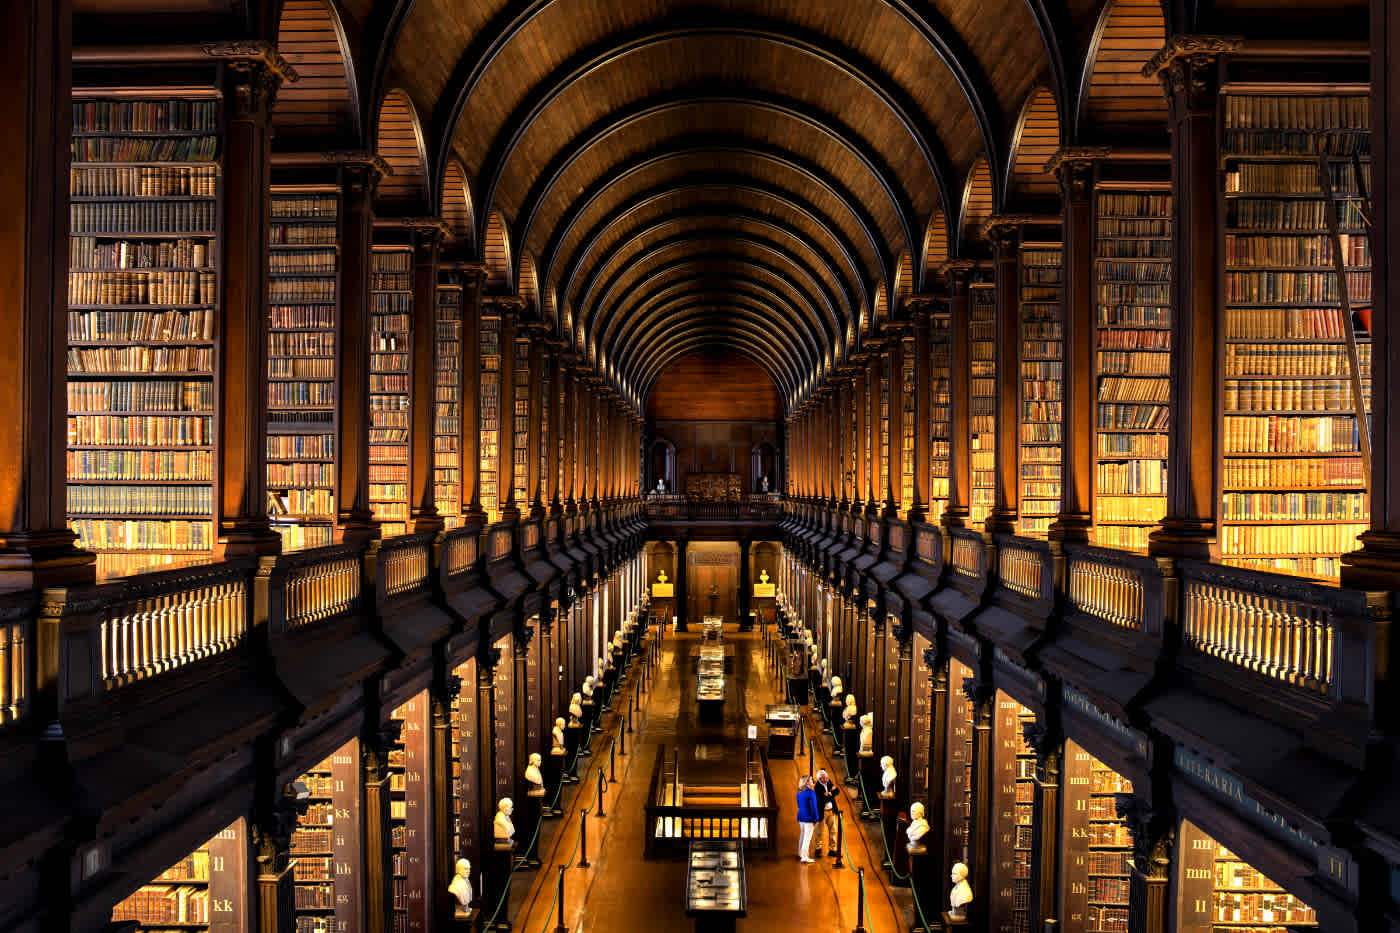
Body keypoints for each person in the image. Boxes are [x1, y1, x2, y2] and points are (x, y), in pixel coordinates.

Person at [812, 769, 840, 858]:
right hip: (822, 812)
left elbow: (837, 791)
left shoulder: (829, 782)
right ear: (820, 779)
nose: (827, 779)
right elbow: (822, 799)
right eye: (824, 778)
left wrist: (829, 793)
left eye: (827, 777)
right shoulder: (817, 787)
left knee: (833, 830)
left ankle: (832, 849)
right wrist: (830, 794)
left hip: (831, 810)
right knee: (819, 831)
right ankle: (818, 849)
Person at [796, 775, 820, 863]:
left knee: (802, 835)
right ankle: (805, 856)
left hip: (801, 816)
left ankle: (800, 853)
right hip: (809, 817)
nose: (813, 781)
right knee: (807, 837)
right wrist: (816, 819)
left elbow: (798, 804)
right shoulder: (811, 792)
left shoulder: (799, 792)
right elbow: (814, 807)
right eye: (811, 780)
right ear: (806, 782)